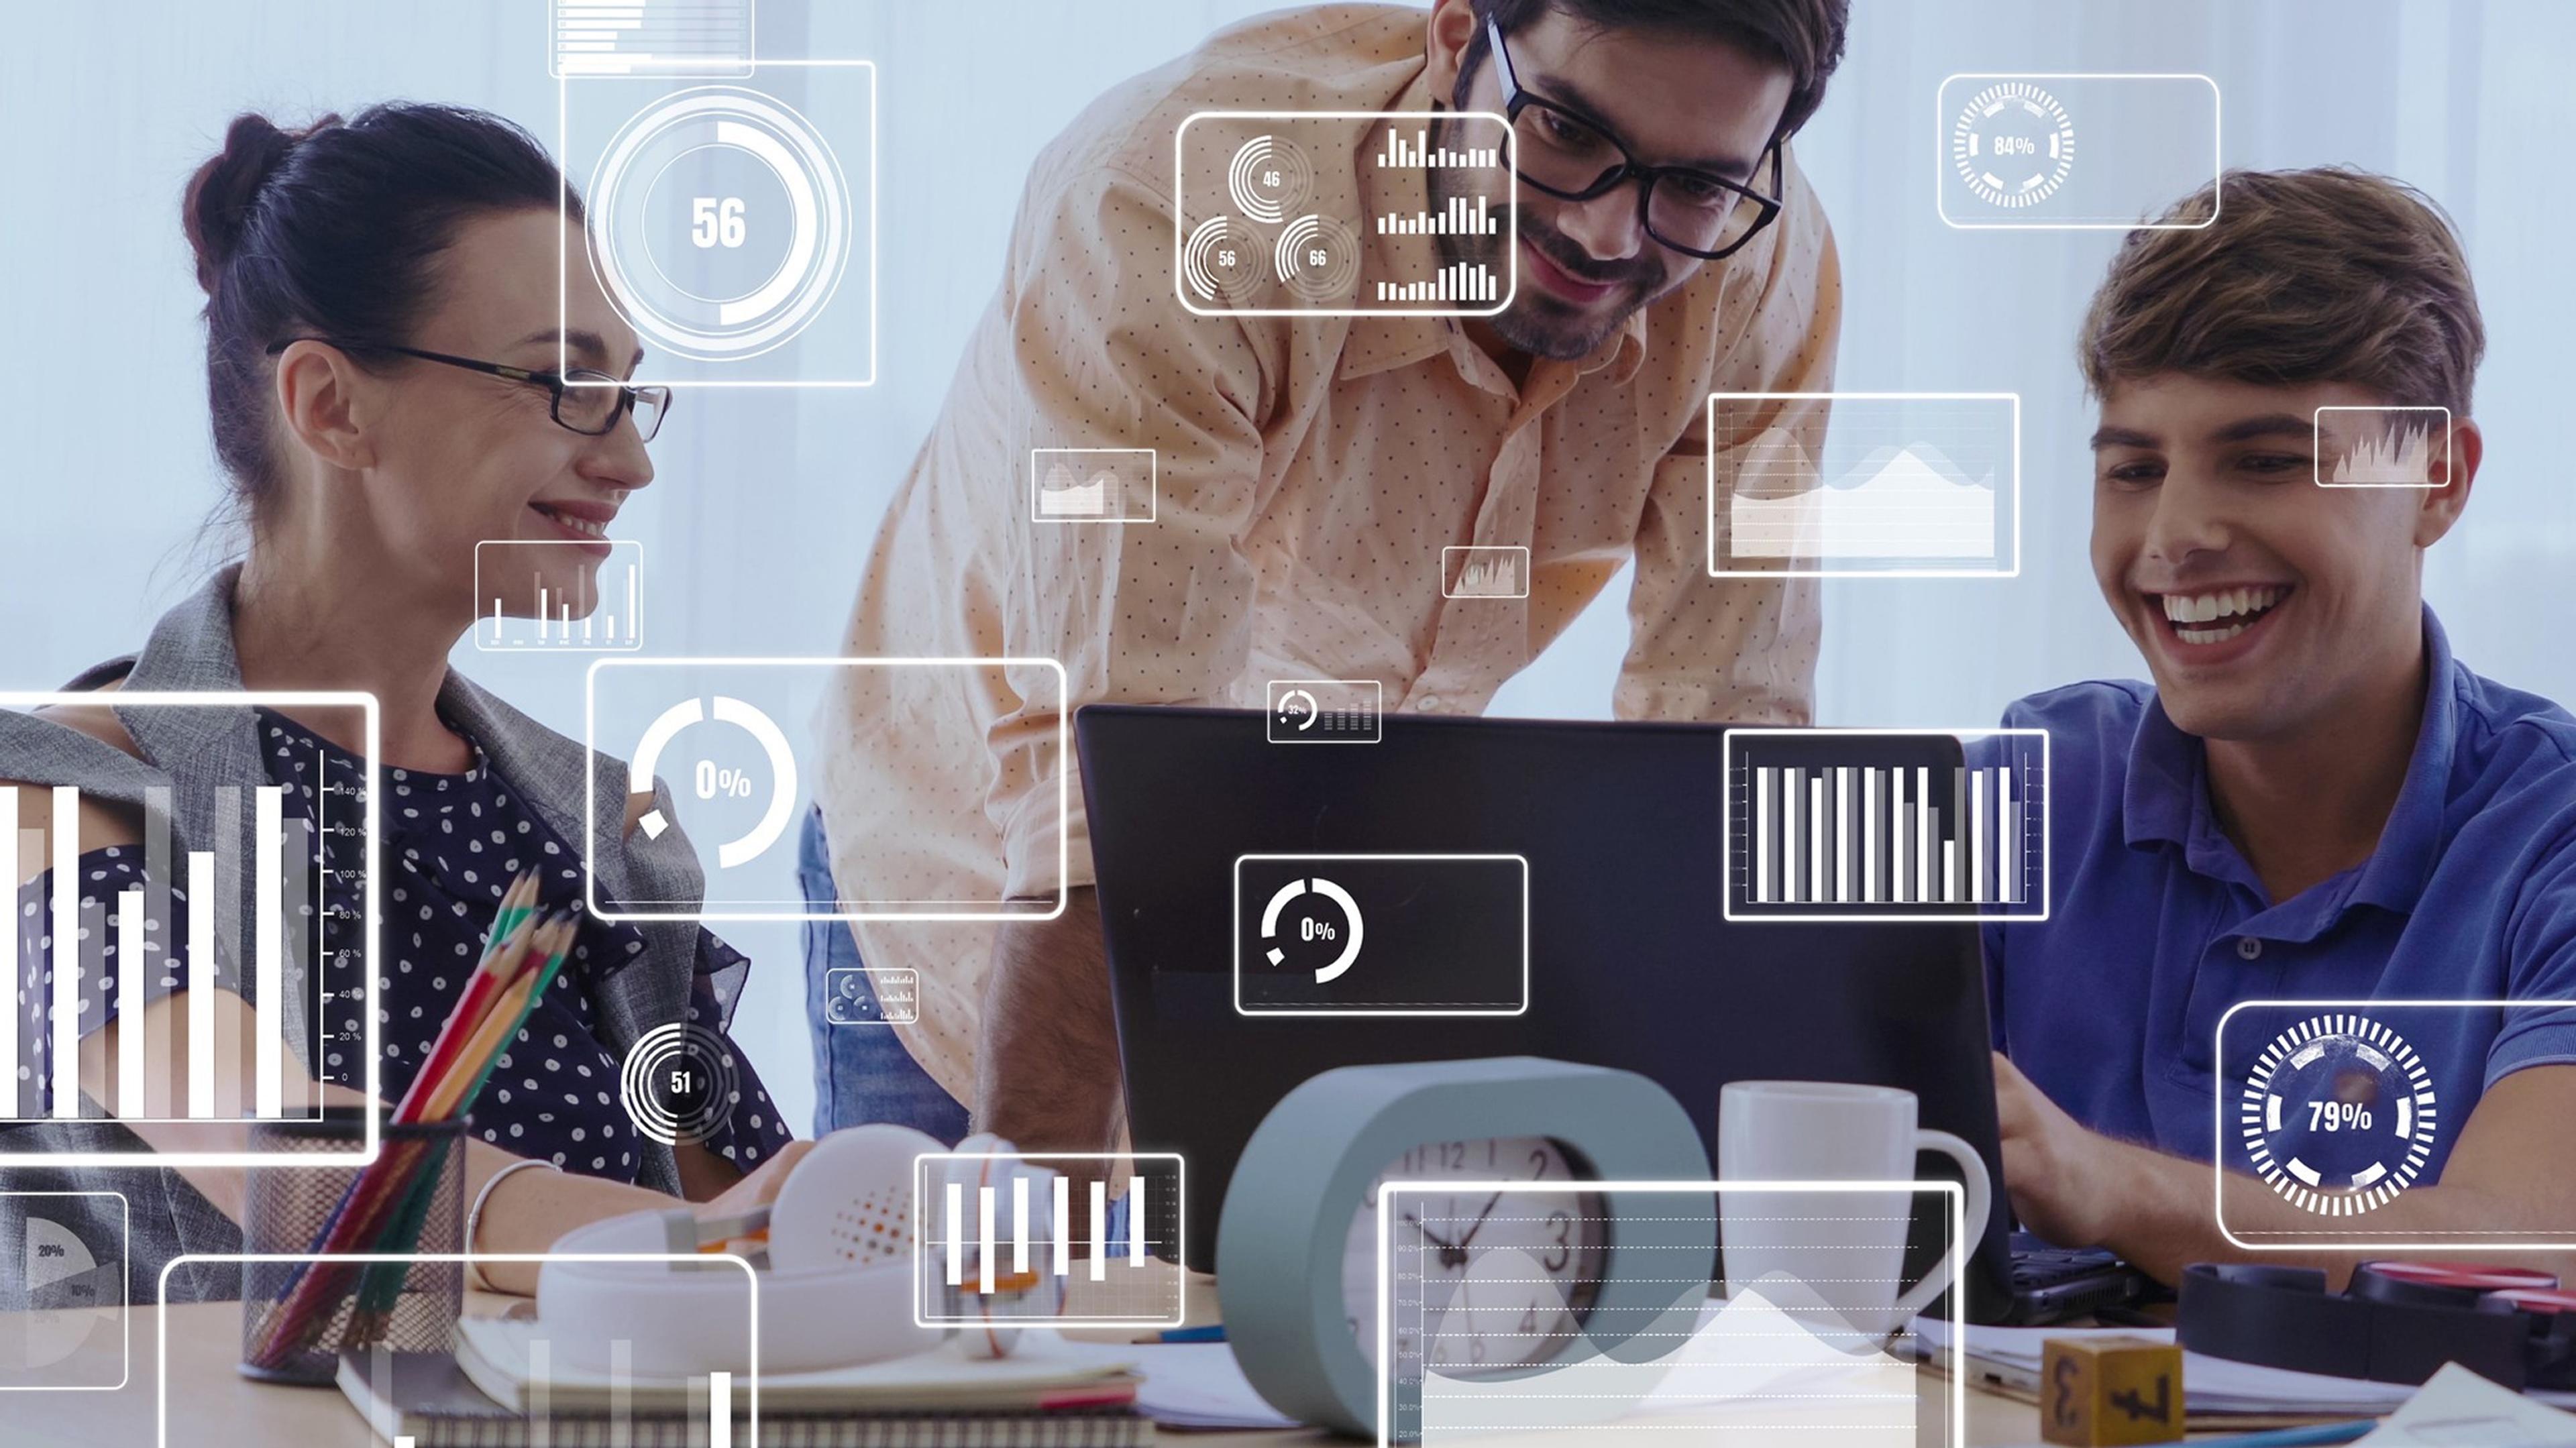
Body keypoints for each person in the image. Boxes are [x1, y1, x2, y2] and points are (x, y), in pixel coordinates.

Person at [803, 0, 1852, 1149]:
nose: (1608, 233)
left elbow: (1719, 745)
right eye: (1562, 131)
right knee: (970, 1311)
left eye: (1697, 184)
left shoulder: (1758, 265)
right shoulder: (1178, 202)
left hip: (1320, 893)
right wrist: (1020, 1259)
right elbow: (1109, 790)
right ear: (1461, 35)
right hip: (971, 876)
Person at [0, 103, 805, 1301]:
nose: (631, 461)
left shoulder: (601, 820)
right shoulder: (66, 790)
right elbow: (277, 1154)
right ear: (331, 405)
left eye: (633, 395)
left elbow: (730, 1189)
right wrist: (696, 1246)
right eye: (567, 384)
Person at [1984, 167, 2576, 1284]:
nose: (2175, 534)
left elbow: (2530, 1246)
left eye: (2264, 462)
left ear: (2438, 478)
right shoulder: (2023, 791)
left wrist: (2103, 1183)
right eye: (2135, 469)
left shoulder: (2552, 841)